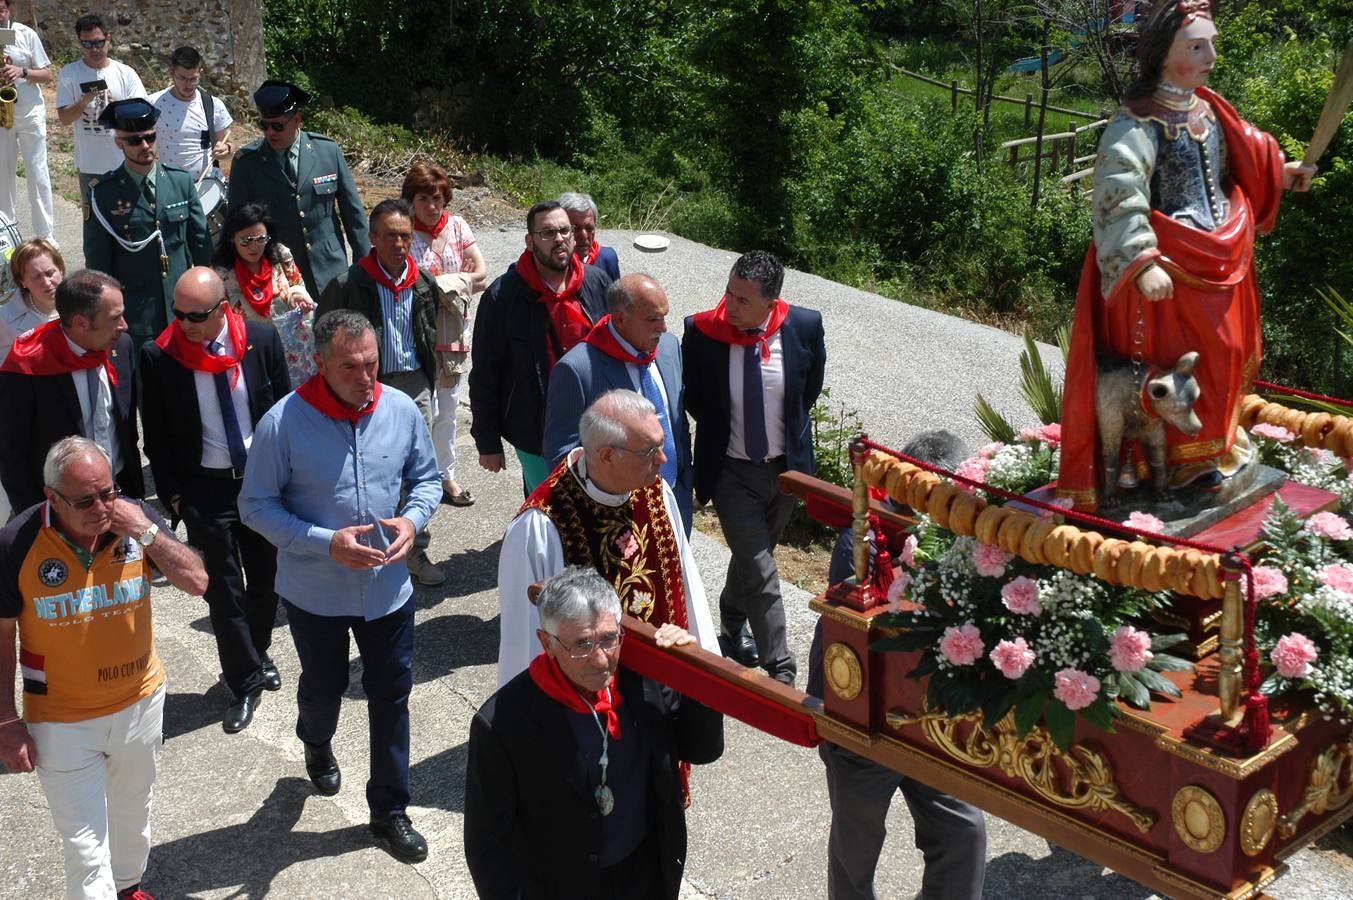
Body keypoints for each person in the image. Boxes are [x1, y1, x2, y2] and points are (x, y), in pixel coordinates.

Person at [1056, 0, 1316, 512]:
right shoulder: (1137, 123)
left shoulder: (1210, 109)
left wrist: (1280, 173)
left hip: (1224, 254)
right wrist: (1141, 261)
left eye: (1211, 43)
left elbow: (1238, 161)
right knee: (1174, 368)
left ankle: (1216, 452)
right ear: (1161, 54)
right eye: (1197, 46)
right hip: (1167, 269)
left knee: (1230, 353)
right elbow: (1118, 190)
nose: (1211, 56)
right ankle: (1175, 469)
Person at [238, 309, 441, 864]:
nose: (365, 377)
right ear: (320, 362)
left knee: (391, 696)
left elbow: (425, 478)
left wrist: (412, 521)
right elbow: (254, 506)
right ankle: (316, 740)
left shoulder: (399, 410)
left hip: (389, 592)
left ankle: (389, 810)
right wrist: (326, 541)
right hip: (316, 595)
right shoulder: (283, 422)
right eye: (350, 366)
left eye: (372, 363)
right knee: (324, 688)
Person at [0, 436, 207, 900]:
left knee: (135, 818)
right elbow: (2, 638)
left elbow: (197, 582)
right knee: (86, 850)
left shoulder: (134, 520)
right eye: (86, 500)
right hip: (62, 720)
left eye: (108, 492)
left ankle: (130, 888)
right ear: (52, 497)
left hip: (140, 703)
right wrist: (6, 721)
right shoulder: (18, 542)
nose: (102, 507)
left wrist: (146, 531)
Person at [465, 566, 724, 899]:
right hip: (561, 887)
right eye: (582, 644)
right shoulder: (503, 723)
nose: (601, 660)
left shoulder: (644, 680)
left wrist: (690, 670)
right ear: (547, 642)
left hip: (644, 873)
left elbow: (703, 749)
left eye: (608, 638)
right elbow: (489, 847)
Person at [807, 429, 987, 900]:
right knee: (856, 853)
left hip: (933, 724)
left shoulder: (959, 535)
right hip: (865, 721)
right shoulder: (866, 539)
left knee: (963, 832)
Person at [139, 267, 291, 734]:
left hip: (260, 482)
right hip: (205, 487)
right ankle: (243, 680)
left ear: (224, 308)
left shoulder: (261, 340)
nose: (184, 324)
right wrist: (176, 498)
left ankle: (258, 651)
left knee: (266, 579)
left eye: (196, 315)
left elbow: (286, 410)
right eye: (178, 314)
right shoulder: (160, 356)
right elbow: (157, 436)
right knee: (223, 589)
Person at [497, 389, 719, 687]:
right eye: (649, 452)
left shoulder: (655, 493)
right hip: (589, 704)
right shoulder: (542, 526)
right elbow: (525, 640)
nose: (663, 460)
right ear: (607, 455)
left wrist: (704, 675)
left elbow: (686, 586)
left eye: (661, 446)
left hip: (663, 690)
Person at [682, 250, 826, 685]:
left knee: (754, 555)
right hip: (731, 472)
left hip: (785, 473)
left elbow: (808, 390)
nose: (730, 305)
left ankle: (730, 621)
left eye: (743, 300)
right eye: (728, 292)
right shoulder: (702, 332)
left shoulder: (803, 325)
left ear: (771, 302)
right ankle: (780, 668)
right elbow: (696, 399)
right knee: (762, 570)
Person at [316, 198, 445, 587]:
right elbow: (324, 335)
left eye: (405, 236)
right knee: (368, 466)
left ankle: (414, 549)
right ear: (372, 238)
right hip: (369, 384)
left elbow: (428, 331)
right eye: (390, 236)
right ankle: (365, 542)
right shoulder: (348, 284)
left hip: (415, 384)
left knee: (417, 469)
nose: (399, 244)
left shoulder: (423, 282)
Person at [470, 200, 610, 494]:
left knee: (597, 503)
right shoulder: (502, 296)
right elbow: (485, 374)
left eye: (563, 230)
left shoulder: (597, 283)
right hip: (535, 430)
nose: (558, 238)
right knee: (551, 507)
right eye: (547, 233)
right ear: (530, 241)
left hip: (596, 423)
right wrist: (488, 441)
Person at [544, 273, 694, 533]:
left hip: (675, 499)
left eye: (664, 316)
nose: (663, 327)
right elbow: (562, 456)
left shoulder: (668, 347)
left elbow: (677, 423)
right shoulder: (578, 370)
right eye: (652, 319)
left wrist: (684, 480)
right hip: (618, 514)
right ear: (620, 318)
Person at [0, 269, 142, 515]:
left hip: (121, 492)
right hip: (65, 508)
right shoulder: (27, 367)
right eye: (114, 317)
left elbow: (126, 429)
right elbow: (12, 455)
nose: (124, 325)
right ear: (80, 323)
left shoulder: (121, 346)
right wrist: (37, 517)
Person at [82, 98, 212, 350]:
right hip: (137, 314)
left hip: (184, 309)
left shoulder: (180, 182)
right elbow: (98, 263)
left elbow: (201, 244)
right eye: (134, 140)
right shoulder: (103, 194)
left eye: (150, 137)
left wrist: (206, 298)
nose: (144, 145)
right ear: (118, 143)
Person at [227, 79, 370, 299]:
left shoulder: (327, 151)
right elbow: (237, 225)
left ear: (298, 120)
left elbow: (355, 218)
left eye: (278, 126)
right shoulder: (247, 163)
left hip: (331, 269)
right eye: (264, 125)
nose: (270, 133)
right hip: (279, 275)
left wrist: (364, 269)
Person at [402, 161, 487, 508]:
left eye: (437, 198)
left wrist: (436, 285)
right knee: (419, 409)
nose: (432, 206)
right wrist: (459, 283)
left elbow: (482, 274)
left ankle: (445, 475)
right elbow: (403, 284)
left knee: (448, 410)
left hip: (453, 336)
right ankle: (417, 479)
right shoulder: (402, 230)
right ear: (412, 200)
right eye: (424, 198)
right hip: (413, 334)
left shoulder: (457, 226)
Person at [213, 201, 316, 386]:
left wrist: (297, 296)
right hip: (249, 352)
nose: (254, 247)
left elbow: (297, 284)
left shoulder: (280, 255)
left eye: (261, 239)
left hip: (290, 349)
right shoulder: (221, 274)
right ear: (231, 238)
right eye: (246, 240)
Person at [54, 14, 146, 215]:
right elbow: (64, 118)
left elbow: (142, 118)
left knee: (130, 220)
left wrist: (118, 108)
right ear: (80, 43)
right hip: (90, 165)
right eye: (87, 44)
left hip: (125, 163)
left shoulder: (125, 73)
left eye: (98, 42)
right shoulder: (70, 73)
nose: (94, 49)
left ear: (108, 39)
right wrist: (84, 101)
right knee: (94, 224)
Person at [0, 0, 56, 242]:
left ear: (9, 10)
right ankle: (6, 232)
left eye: (1, 9)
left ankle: (46, 235)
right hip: (2, 116)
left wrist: (21, 72)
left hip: (29, 113)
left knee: (37, 173)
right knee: (2, 175)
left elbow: (47, 73)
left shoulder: (26, 34)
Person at [149, 45, 233, 181]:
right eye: (182, 78)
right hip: (172, 185)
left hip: (208, 186)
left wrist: (226, 149)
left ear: (200, 72)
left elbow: (229, 144)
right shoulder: (154, 104)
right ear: (171, 72)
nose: (188, 85)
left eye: (193, 79)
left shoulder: (213, 104)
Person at [0, 237, 63, 362]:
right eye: (36, 277)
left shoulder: (85, 304)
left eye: (50, 273)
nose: (46, 282)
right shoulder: (5, 320)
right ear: (22, 282)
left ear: (61, 270)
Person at [559, 191, 620, 281]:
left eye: (589, 228)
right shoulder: (550, 264)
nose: (583, 235)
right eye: (575, 229)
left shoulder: (607, 259)